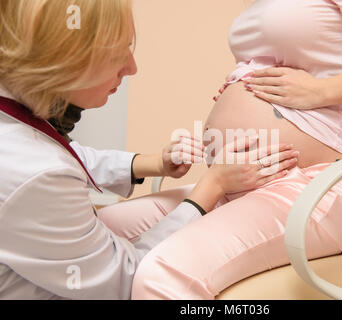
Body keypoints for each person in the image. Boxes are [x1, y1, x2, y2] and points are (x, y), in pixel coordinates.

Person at [127, 0, 342, 299]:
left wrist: (322, 90)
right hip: (238, 184)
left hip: (316, 187)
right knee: (103, 234)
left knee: (160, 274)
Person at [0, 0, 298, 299]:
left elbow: (65, 157)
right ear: (61, 59)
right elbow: (123, 280)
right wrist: (212, 186)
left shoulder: (16, 125)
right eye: (117, 54)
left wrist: (156, 164)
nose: (132, 67)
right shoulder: (36, 173)